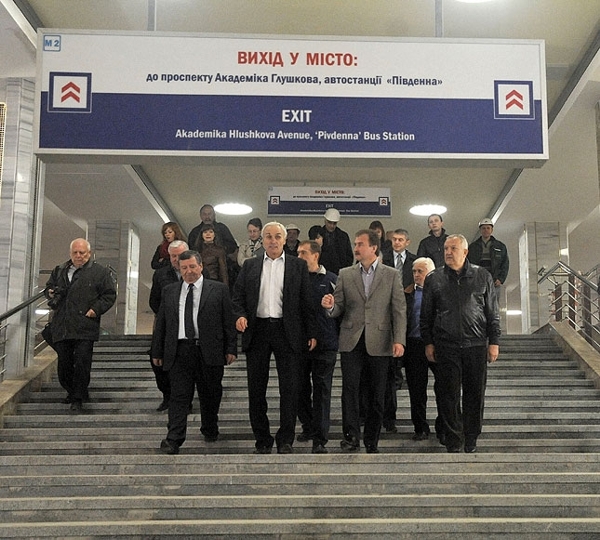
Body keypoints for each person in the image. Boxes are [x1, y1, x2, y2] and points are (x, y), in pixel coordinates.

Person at [232, 222, 317, 455]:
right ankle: (262, 439)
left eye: (277, 236)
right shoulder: (250, 265)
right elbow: (237, 297)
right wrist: (240, 315)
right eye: (268, 236)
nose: (272, 240)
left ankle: (285, 439)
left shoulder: (298, 266)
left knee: (289, 389)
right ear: (263, 239)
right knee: (256, 389)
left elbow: (306, 301)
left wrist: (311, 332)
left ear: (284, 240)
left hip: (287, 331)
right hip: (257, 330)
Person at [322, 229, 406, 454]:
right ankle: (351, 438)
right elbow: (339, 307)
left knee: (377, 394)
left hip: (381, 340)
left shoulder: (391, 275)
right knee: (349, 391)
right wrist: (330, 306)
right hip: (352, 340)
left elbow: (399, 310)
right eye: (355, 244)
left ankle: (372, 440)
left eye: (360, 244)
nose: (356, 248)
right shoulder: (345, 274)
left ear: (373, 248)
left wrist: (399, 340)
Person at [420, 234, 500, 454]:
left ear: (465, 252)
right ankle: (453, 439)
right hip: (446, 345)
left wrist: (494, 341)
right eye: (446, 248)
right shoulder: (434, 278)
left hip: (476, 344)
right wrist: (428, 342)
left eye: (453, 248)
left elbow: (492, 313)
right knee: (448, 395)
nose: (448, 252)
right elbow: (426, 315)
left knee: (475, 393)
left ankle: (471, 436)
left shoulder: (482, 276)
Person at [151, 250, 237, 455]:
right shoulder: (170, 291)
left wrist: (231, 348)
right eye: (184, 268)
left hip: (209, 350)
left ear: (200, 266)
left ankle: (210, 427)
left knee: (210, 394)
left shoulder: (218, 289)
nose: (188, 271)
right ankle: (173, 439)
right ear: (179, 269)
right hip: (179, 350)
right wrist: (157, 350)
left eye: (192, 266)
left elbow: (228, 321)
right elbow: (162, 322)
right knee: (178, 396)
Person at [45, 238, 117, 413]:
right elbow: (48, 288)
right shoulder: (59, 270)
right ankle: (74, 391)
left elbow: (109, 295)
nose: (78, 256)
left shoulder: (100, 272)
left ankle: (77, 398)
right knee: (64, 364)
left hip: (85, 325)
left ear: (89, 253)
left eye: (82, 253)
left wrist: (95, 310)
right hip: (62, 325)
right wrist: (50, 293)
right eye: (75, 252)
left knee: (82, 363)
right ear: (70, 253)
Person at [296, 240, 339, 454]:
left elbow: (341, 309)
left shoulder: (331, 279)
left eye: (303, 253)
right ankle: (308, 426)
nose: (299, 256)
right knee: (299, 389)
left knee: (322, 391)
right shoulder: (294, 278)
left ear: (315, 255)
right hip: (299, 344)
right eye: (298, 253)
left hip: (325, 343)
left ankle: (320, 439)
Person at [403, 257, 444, 442]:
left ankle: (443, 426)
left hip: (437, 345)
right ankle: (420, 427)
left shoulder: (440, 292)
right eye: (414, 271)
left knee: (443, 387)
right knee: (416, 389)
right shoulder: (407, 293)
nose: (417, 275)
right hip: (414, 344)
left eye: (421, 271)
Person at [381, 228, 417, 432]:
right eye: (394, 239)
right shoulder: (384, 258)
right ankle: (388, 417)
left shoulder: (414, 260)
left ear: (407, 242)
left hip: (409, 310)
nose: (396, 242)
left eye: (400, 240)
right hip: (387, 311)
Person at [148, 240, 189, 411]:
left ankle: (184, 400)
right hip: (167, 325)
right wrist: (166, 315)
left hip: (191, 326)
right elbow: (154, 300)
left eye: (180, 255)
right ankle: (167, 395)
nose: (176, 259)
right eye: (173, 256)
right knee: (158, 361)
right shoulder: (160, 274)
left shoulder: (199, 272)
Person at [467, 218, 509, 297]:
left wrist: (501, 279)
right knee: (478, 301)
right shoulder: (473, 247)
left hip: (494, 281)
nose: (486, 230)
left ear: (492, 230)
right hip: (478, 281)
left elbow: (505, 264)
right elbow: (468, 264)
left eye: (488, 228)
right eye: (483, 228)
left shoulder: (500, 246)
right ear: (480, 230)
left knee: (493, 302)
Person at [319, 208, 353, 275]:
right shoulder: (318, 235)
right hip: (321, 272)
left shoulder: (343, 236)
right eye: (329, 222)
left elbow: (349, 256)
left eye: (334, 223)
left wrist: (344, 271)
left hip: (339, 272)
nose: (332, 226)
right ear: (325, 220)